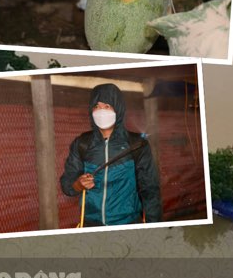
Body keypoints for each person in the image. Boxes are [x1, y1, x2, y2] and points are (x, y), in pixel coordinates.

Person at [60, 83, 162, 227]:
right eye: (96, 107)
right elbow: (67, 183)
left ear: (118, 108)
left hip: (128, 223)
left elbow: (150, 189)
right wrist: (77, 185)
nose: (101, 111)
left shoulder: (136, 144)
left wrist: (155, 227)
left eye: (107, 106)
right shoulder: (82, 143)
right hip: (91, 224)